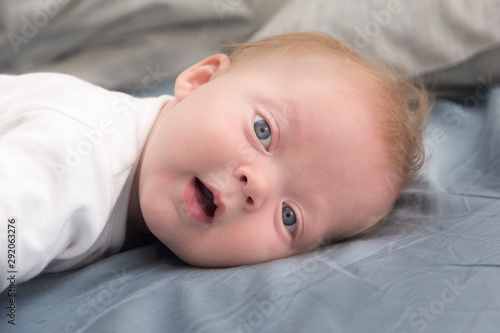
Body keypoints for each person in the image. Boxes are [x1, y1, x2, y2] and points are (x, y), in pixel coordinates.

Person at [0, 32, 431, 292]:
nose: (256, 186)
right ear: (200, 80)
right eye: (263, 131)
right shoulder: (78, 156)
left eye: (289, 216)